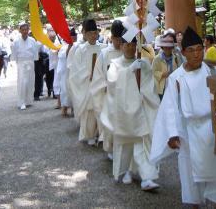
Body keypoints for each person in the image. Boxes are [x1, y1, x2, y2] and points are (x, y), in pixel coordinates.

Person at [151, 27, 216, 208]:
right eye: (192, 50)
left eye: (199, 49)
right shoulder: (176, 78)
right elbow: (170, 108)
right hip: (188, 134)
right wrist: (172, 134)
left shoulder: (213, 71)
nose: (197, 54)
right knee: (191, 184)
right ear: (183, 52)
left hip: (213, 133)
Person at [101, 32, 160, 191]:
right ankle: (127, 170)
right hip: (123, 111)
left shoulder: (141, 63)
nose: (130, 48)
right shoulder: (115, 64)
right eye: (127, 45)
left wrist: (144, 70)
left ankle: (147, 177)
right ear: (121, 46)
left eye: (133, 45)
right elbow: (112, 84)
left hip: (140, 110)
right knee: (126, 144)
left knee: (142, 142)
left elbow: (149, 85)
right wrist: (128, 72)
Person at [90, 19, 124, 155]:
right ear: (112, 38)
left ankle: (122, 149)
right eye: (117, 39)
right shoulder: (105, 54)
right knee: (110, 122)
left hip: (123, 94)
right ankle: (110, 149)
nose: (119, 43)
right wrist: (104, 86)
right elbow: (98, 75)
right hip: (109, 95)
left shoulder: (126, 52)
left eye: (122, 39)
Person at [68, 18, 103, 145]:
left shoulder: (103, 48)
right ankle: (89, 135)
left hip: (100, 83)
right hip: (87, 84)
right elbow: (75, 70)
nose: (93, 36)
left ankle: (101, 134)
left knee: (100, 107)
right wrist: (89, 74)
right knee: (89, 110)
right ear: (85, 34)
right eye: (89, 33)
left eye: (95, 33)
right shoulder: (81, 50)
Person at [10, 22, 39, 110]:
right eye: (23, 30)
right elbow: (14, 53)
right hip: (21, 63)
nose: (25, 31)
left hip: (30, 62)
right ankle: (21, 101)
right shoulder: (16, 41)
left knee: (30, 82)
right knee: (23, 82)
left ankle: (28, 100)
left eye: (26, 29)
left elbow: (35, 53)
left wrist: (34, 59)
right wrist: (14, 62)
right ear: (20, 31)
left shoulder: (32, 40)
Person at [152, 33, 183, 99]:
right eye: (166, 47)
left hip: (174, 86)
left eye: (169, 47)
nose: (168, 49)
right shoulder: (157, 59)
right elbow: (153, 72)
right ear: (162, 47)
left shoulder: (176, 57)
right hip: (162, 88)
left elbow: (180, 70)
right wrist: (162, 74)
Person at [58, 27, 78, 116]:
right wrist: (70, 46)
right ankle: (64, 109)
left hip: (75, 72)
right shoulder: (63, 47)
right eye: (72, 37)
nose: (74, 39)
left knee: (75, 91)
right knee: (65, 91)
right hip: (66, 72)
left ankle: (75, 109)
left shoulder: (79, 46)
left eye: (75, 37)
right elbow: (65, 57)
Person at [45, 26, 59, 99]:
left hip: (55, 61)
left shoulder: (58, 42)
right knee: (48, 77)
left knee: (55, 77)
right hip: (47, 60)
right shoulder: (44, 40)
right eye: (50, 30)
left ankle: (54, 92)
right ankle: (49, 89)